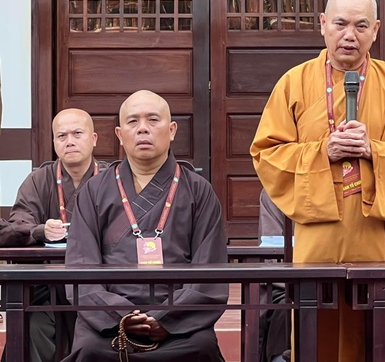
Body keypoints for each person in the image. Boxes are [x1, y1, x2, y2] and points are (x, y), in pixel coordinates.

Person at [251, 0, 385, 362]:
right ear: (323, 24)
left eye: (361, 25)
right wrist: (324, 151)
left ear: (376, 30)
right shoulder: (294, 83)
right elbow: (267, 154)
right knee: (319, 338)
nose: (349, 35)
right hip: (319, 240)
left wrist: (374, 150)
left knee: (382, 339)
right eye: (340, 24)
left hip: (380, 240)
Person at [63, 90, 228, 362]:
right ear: (119, 134)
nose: (142, 129)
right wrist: (122, 316)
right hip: (109, 321)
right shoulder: (94, 191)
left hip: (180, 321)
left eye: (153, 120)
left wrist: (166, 318)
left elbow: (209, 270)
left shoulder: (198, 191)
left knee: (201, 348)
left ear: (172, 130)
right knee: (90, 350)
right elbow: (81, 267)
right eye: (133, 121)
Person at [8, 108, 104, 362]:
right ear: (54, 142)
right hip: (48, 286)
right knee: (33, 327)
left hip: (100, 285)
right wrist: (40, 231)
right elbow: (18, 224)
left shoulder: (111, 180)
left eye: (77, 133)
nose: (69, 141)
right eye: (62, 136)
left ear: (94, 138)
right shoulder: (38, 180)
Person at [257, 189, 291, 362]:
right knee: (287, 310)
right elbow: (272, 257)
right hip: (289, 286)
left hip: (344, 284)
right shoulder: (277, 190)